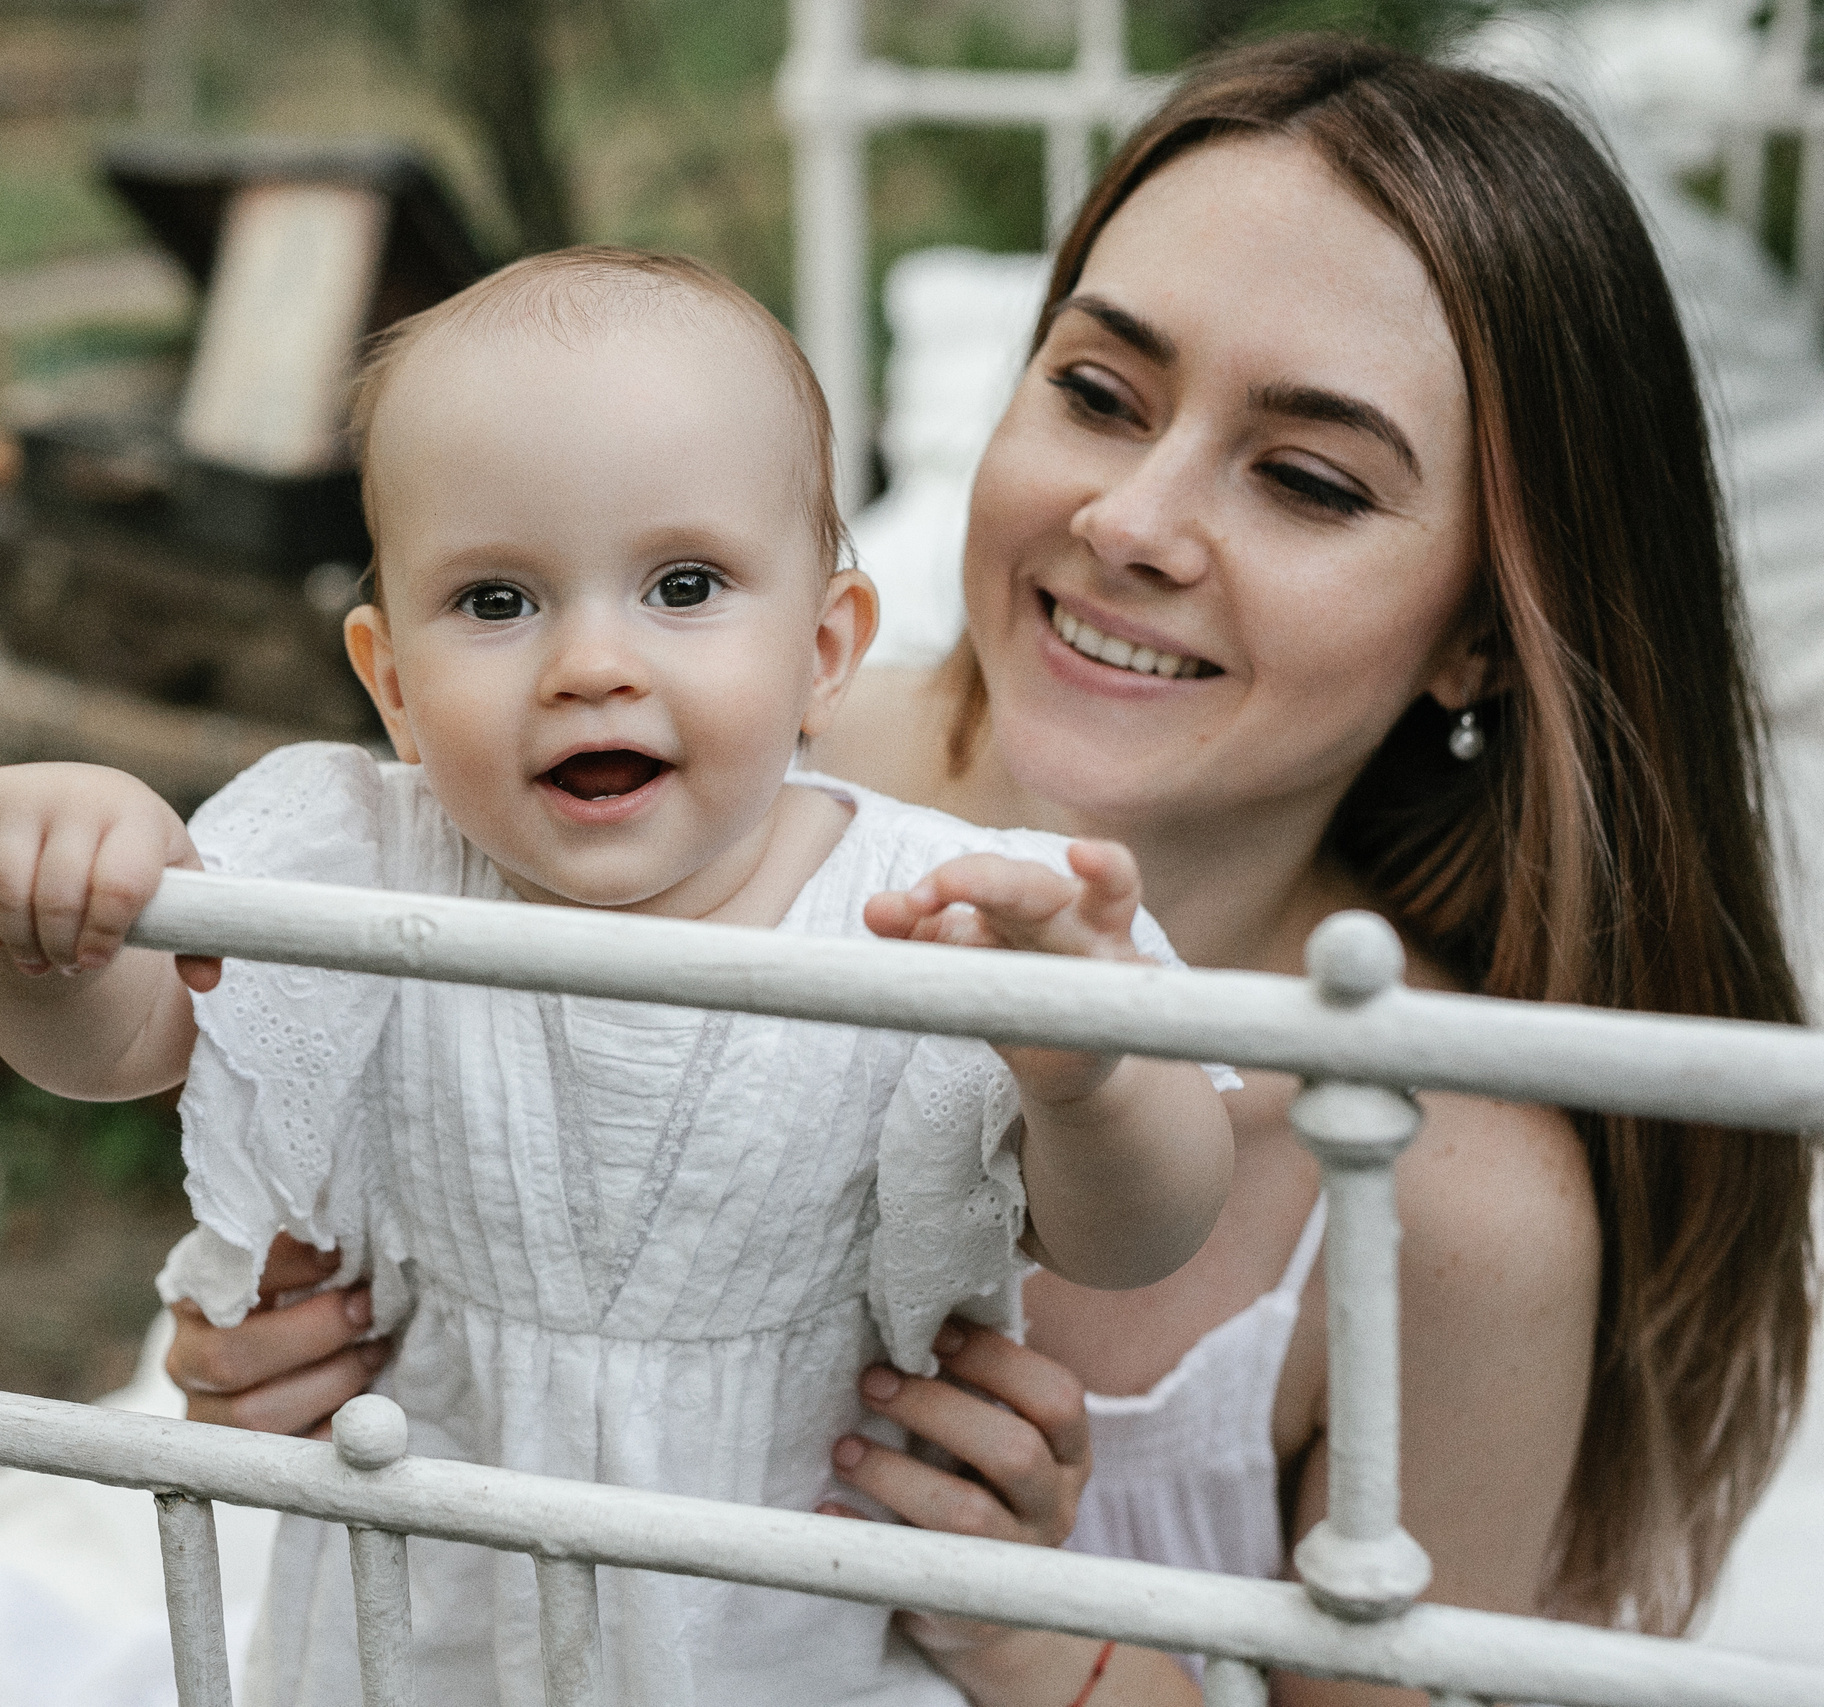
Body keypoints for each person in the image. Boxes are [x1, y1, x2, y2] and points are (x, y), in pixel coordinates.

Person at [164, 35, 1817, 1706]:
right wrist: (281, 1360)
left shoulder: (1436, 1187)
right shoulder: (672, 801)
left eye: (1309, 480)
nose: (1133, 522)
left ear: (1478, 634)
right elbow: (382, 1176)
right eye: (1097, 393)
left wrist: (1035, 1637)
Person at [0, 248, 1235, 1706]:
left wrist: (1089, 1067)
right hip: (424, 1628)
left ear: (825, 651)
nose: (589, 662)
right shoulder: (358, 860)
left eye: (683, 585)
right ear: (392, 687)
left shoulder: (927, 912)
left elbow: (1143, 1230)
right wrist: (57, 911)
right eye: (497, 603)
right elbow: (119, 1044)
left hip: (788, 1632)